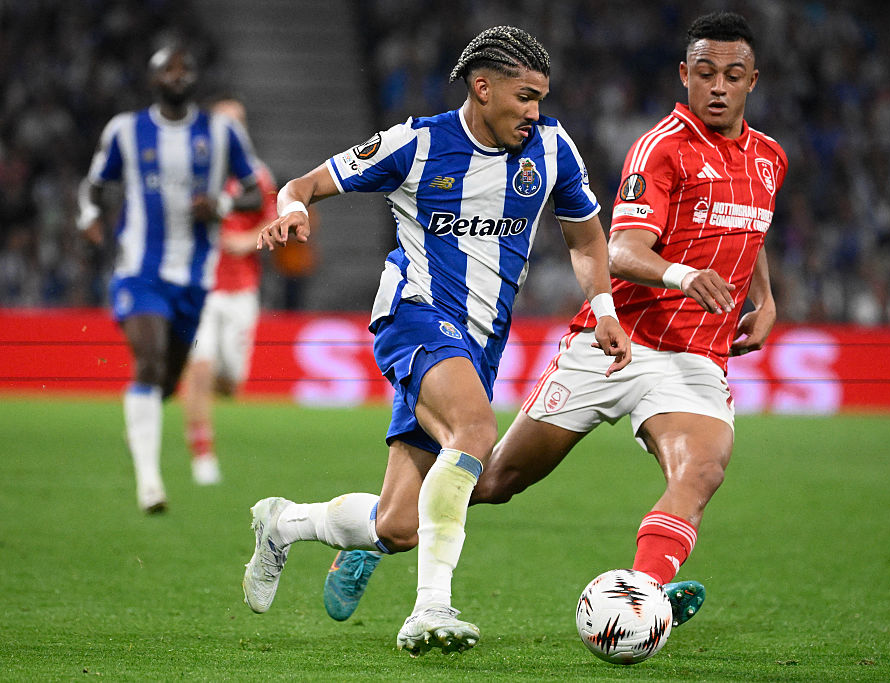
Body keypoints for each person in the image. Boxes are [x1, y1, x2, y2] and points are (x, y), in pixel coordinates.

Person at [324, 10, 786, 635]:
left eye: (733, 75)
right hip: (617, 340)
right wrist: (679, 277)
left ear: (753, 80)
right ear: (685, 75)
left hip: (696, 358)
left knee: (700, 471)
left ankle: (643, 593)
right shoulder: (663, 148)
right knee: (488, 479)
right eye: (706, 73)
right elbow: (619, 247)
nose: (719, 86)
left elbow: (747, 230)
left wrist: (766, 296)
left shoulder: (768, 159)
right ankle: (376, 534)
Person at [240, 25, 631, 657]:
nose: (535, 113)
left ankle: (284, 523)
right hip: (413, 314)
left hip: (479, 342)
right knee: (475, 431)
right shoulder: (417, 144)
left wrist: (604, 306)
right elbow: (303, 184)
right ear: (483, 87)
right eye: (525, 97)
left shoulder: (554, 149)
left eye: (541, 99)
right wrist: (294, 210)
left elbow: (586, 238)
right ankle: (430, 610)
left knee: (398, 526)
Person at [78, 44, 263, 513]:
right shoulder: (126, 130)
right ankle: (150, 483)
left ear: (195, 78)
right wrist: (87, 215)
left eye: (185, 69)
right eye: (168, 69)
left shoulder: (222, 134)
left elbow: (251, 195)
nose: (177, 76)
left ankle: (141, 425)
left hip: (197, 279)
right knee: (150, 359)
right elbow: (96, 183)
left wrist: (219, 205)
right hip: (140, 271)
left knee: (169, 374)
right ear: (153, 77)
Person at [180, 96, 278, 486]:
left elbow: (273, 223)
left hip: (241, 289)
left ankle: (198, 383)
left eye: (237, 122)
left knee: (230, 382)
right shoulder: (193, 171)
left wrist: (247, 239)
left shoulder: (256, 175)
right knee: (199, 370)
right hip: (200, 287)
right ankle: (203, 456)